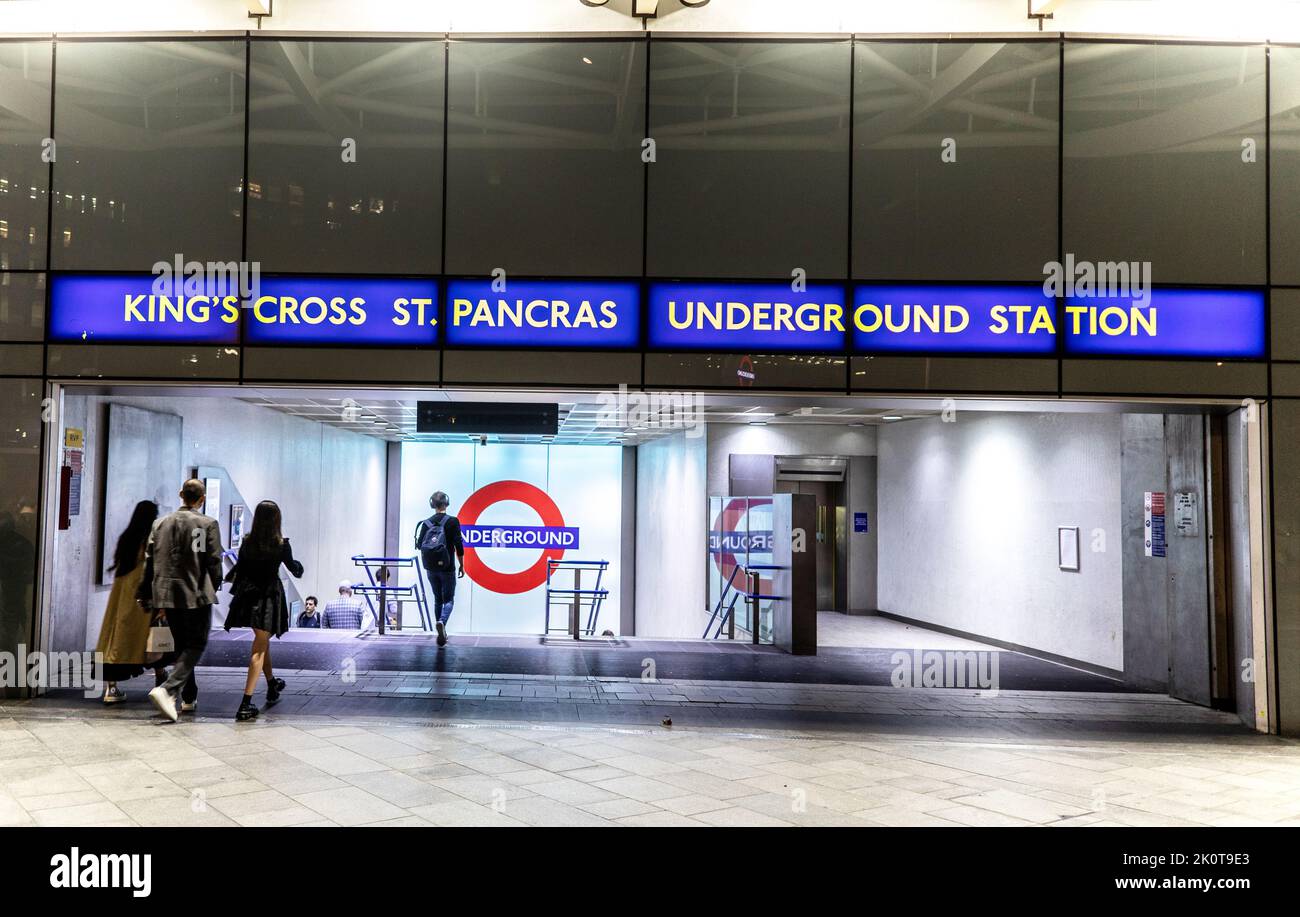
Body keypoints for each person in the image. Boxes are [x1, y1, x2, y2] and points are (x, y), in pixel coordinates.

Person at [140, 479, 224, 722]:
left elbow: (150, 560)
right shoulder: (207, 524)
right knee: (196, 644)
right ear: (202, 498)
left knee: (181, 645)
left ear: (180, 495)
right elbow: (214, 560)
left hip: (166, 593)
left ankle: (183, 695)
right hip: (196, 593)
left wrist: (147, 593)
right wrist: (215, 584)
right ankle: (168, 689)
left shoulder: (160, 523)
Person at [223, 500, 303, 722]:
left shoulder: (248, 542)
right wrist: (298, 565)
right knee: (258, 648)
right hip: (269, 598)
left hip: (249, 597)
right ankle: (245, 703)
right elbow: (295, 570)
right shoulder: (281, 544)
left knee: (262, 640)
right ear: (277, 520)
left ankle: (271, 684)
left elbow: (241, 569)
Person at [94, 500, 168, 704]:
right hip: (143, 595)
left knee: (117, 638)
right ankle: (161, 677)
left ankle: (112, 688)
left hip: (121, 595)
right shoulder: (151, 540)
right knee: (151, 636)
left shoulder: (126, 538)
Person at [414, 491, 464, 647]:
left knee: (437, 599)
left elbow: (419, 544)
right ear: (446, 503)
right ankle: (442, 622)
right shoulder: (453, 522)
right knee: (448, 599)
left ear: (432, 504)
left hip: (430, 568)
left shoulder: (426, 523)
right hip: (448, 567)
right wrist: (462, 564)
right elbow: (459, 546)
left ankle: (440, 630)